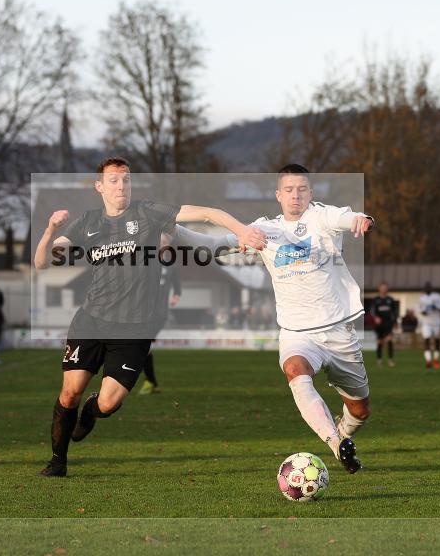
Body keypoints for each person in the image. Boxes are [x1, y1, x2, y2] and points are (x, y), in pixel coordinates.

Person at [32, 157, 266, 477]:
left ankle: (90, 412)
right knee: (69, 391)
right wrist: (49, 231)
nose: (121, 186)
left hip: (135, 327)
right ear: (99, 187)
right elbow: (42, 263)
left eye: (126, 180)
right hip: (91, 320)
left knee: (108, 404)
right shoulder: (87, 223)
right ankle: (57, 461)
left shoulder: (148, 212)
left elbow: (209, 214)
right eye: (114, 181)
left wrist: (242, 231)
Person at [179, 164, 374, 474]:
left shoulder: (321, 217)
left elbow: (346, 217)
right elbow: (212, 246)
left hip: (338, 331)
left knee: (360, 410)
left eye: (301, 189)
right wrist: (168, 227)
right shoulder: (262, 229)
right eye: (289, 190)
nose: (295, 195)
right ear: (278, 195)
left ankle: (345, 434)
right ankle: (335, 443)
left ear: (310, 193)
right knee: (295, 370)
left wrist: (360, 220)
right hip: (297, 333)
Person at [137, 232, 182, 395]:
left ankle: (149, 382)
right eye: (159, 241)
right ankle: (151, 382)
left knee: (141, 345)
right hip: (143, 311)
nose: (161, 244)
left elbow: (177, 285)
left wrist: (177, 295)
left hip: (158, 313)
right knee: (141, 346)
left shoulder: (171, 265)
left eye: (164, 242)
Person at [418, 282, 440, 369]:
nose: (427, 289)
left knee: (437, 341)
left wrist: (436, 307)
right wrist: (424, 312)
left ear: (431, 288)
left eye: (429, 287)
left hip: (437, 322)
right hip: (426, 322)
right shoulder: (421, 298)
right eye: (426, 287)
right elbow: (420, 310)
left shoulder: (437, 296)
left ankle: (436, 359)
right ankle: (428, 360)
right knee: (426, 339)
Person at [371, 283, 398, 368]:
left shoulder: (390, 299)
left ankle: (390, 360)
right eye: (382, 288)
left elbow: (395, 312)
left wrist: (395, 322)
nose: (384, 289)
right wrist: (376, 318)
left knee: (389, 340)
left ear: (387, 289)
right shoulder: (376, 300)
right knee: (380, 342)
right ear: (379, 289)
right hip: (379, 324)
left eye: (385, 288)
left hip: (388, 323)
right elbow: (372, 311)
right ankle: (379, 360)